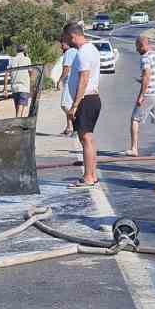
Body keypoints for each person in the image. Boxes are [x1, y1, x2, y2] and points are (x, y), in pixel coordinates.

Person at [64, 23, 103, 188]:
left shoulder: (83, 53)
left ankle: (88, 177)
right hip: (92, 98)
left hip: (86, 100)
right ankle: (92, 175)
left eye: (66, 38)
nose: (65, 41)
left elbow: (84, 79)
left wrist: (75, 105)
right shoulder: (91, 49)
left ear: (72, 36)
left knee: (85, 138)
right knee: (88, 138)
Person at [127, 36, 155, 157]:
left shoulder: (146, 58)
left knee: (135, 119)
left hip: (148, 94)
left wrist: (141, 95)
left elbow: (147, 76)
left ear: (142, 45)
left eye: (137, 47)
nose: (136, 50)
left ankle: (134, 148)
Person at [55, 37, 78, 136]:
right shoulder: (74, 51)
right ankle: (69, 127)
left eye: (63, 43)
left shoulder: (69, 52)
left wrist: (60, 80)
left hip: (69, 80)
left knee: (64, 104)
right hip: (73, 80)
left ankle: (76, 125)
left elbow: (66, 68)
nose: (61, 45)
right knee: (68, 104)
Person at [10, 45, 33, 117]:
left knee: (17, 108)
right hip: (24, 87)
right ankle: (17, 124)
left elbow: (7, 74)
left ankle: (17, 123)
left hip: (14, 87)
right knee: (20, 109)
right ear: (24, 51)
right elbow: (30, 72)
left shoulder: (12, 60)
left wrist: (5, 89)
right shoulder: (27, 59)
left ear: (16, 50)